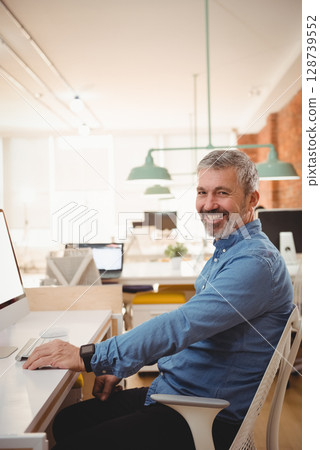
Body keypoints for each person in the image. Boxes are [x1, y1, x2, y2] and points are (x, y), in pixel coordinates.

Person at [23, 149, 293, 450]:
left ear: (252, 200)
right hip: (180, 393)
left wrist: (91, 356)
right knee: (66, 422)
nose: (207, 204)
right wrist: (119, 366)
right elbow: (191, 331)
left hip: (203, 415)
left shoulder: (254, 263)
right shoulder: (230, 250)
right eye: (202, 192)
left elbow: (181, 326)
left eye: (222, 193)